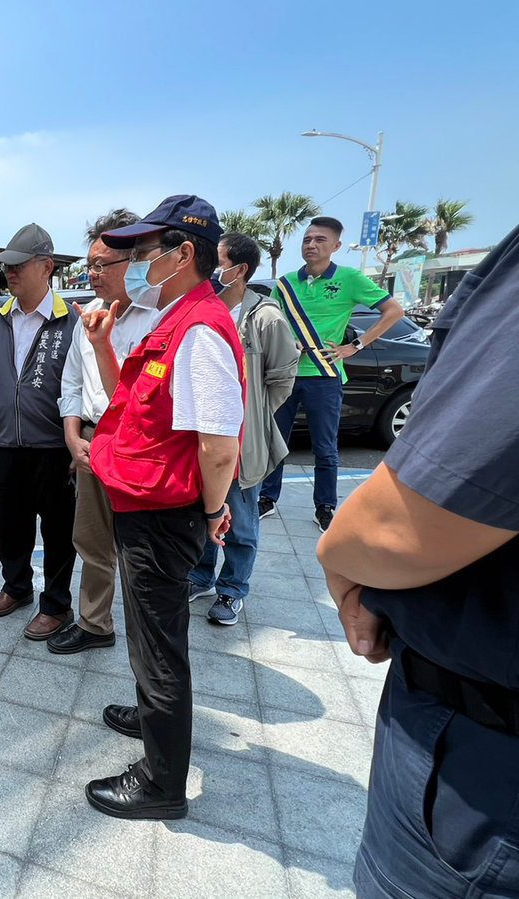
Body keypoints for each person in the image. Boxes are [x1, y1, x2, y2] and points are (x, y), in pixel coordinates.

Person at [318, 227, 519, 897]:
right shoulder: (291, 288)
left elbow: (398, 524)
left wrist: (341, 561)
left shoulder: (348, 283)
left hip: (481, 768)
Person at [79, 196, 245, 820]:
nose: (140, 261)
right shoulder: (176, 318)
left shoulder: (199, 328)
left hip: (164, 515)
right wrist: (101, 348)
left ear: (184, 254)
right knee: (151, 634)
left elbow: (218, 447)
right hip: (146, 505)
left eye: (150, 251)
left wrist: (210, 514)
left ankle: (161, 782)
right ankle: (154, 717)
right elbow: (142, 405)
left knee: (159, 645)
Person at [51, 208, 164, 654]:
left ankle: (151, 642)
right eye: (90, 264)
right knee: (92, 540)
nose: (93, 273)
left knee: (143, 550)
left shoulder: (159, 316)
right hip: (94, 442)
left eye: (103, 265)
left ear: (135, 262)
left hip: (143, 447)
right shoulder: (89, 313)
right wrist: (72, 434)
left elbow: (146, 399)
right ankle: (96, 624)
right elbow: (72, 382)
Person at [0, 223, 80, 641]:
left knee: (57, 532)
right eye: (6, 267)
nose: (10, 274)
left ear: (46, 267)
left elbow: (83, 390)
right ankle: (16, 588)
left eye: (18, 265)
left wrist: (76, 442)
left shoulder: (71, 321)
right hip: (9, 447)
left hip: (54, 448)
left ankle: (56, 605)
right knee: (11, 525)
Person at [257, 216, 403, 531]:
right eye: (308, 239)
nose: (311, 245)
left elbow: (394, 311)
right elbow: (270, 322)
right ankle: (267, 499)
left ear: (336, 246)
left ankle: (325, 506)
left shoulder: (350, 279)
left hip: (325, 376)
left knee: (325, 446)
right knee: (275, 442)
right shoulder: (286, 283)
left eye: (320, 240)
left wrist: (357, 345)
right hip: (286, 375)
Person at [187, 233, 300, 625]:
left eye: (219, 262)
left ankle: (233, 590)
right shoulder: (205, 309)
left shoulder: (265, 317)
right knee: (206, 511)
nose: (212, 269)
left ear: (241, 270)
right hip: (203, 436)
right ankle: (201, 576)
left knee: (241, 518)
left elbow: (283, 377)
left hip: (243, 440)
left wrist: (254, 416)